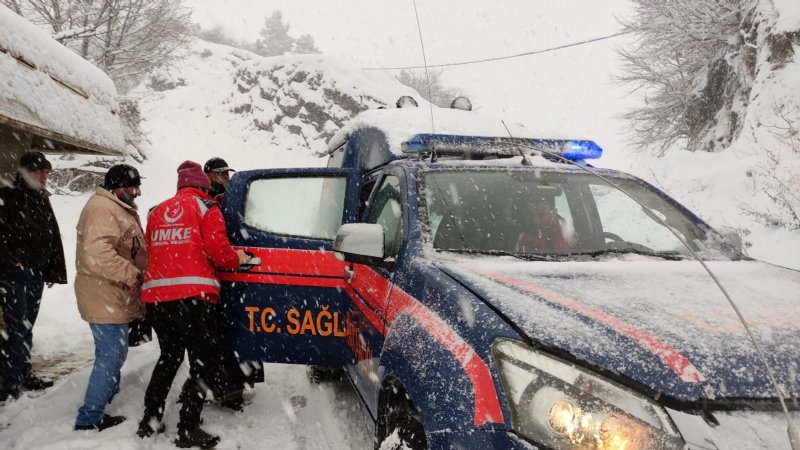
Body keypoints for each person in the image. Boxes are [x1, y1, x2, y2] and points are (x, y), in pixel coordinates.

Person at [138, 161, 248, 448]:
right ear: (202, 186)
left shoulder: (156, 210)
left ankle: (150, 420)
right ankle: (187, 428)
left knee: (170, 357)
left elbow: (156, 250)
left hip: (158, 299)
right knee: (204, 362)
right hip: (193, 298)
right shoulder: (206, 208)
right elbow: (220, 254)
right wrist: (241, 258)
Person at [73, 164, 148, 431]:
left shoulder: (114, 207)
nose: (137, 192)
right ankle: (89, 417)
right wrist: (133, 275)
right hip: (104, 293)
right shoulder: (103, 209)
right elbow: (98, 253)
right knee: (111, 354)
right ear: (118, 187)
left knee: (113, 353)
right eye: (133, 187)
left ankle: (106, 396)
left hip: (111, 293)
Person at [0, 152, 66, 401]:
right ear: (27, 172)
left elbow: (53, 234)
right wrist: (10, 258)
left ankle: (24, 373)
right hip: (14, 273)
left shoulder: (40, 198)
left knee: (27, 326)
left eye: (47, 173)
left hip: (35, 273)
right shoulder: (8, 196)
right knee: (16, 327)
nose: (45, 177)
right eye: (41, 172)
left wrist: (51, 270)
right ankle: (9, 381)